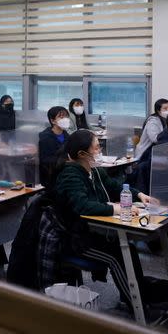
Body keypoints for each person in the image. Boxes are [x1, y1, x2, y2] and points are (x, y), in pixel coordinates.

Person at [53, 130, 154, 306]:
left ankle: (137, 295)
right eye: (97, 148)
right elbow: (82, 206)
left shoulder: (95, 171)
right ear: (82, 154)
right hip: (77, 240)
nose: (100, 151)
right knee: (115, 257)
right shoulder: (70, 174)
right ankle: (136, 304)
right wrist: (116, 207)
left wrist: (139, 195)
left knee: (127, 250)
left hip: (95, 232)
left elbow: (115, 187)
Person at [38, 106, 71, 187]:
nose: (65, 119)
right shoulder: (45, 138)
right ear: (53, 121)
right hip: (52, 177)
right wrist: (66, 161)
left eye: (66, 116)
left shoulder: (67, 135)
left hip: (67, 172)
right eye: (61, 117)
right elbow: (45, 160)